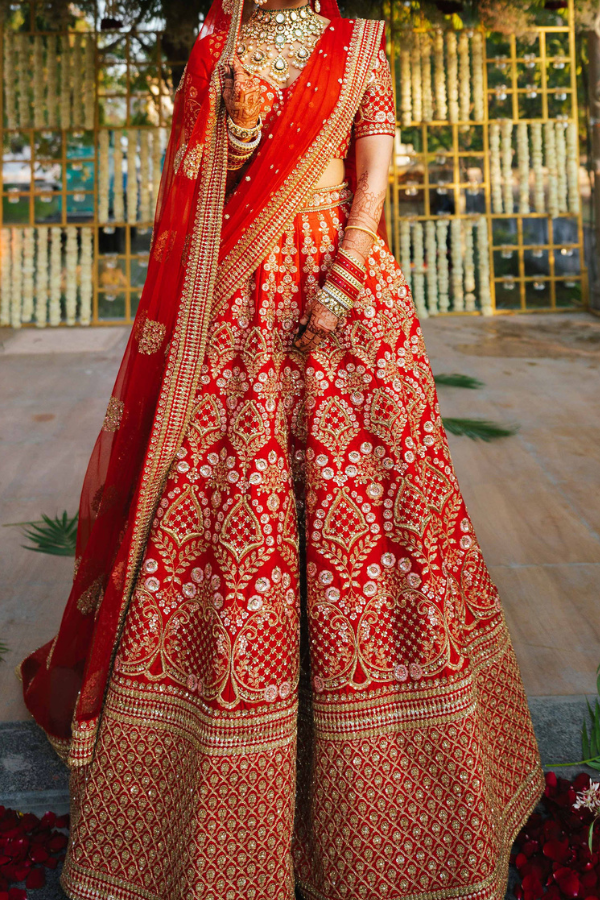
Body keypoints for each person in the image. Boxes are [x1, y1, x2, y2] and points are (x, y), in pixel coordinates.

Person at [18, 0, 544, 898]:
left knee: (373, 521)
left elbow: (375, 160)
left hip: (349, 291)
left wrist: (345, 268)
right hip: (239, 299)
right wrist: (236, 128)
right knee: (235, 520)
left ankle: (397, 807)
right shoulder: (218, 47)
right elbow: (198, 187)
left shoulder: (360, 43)